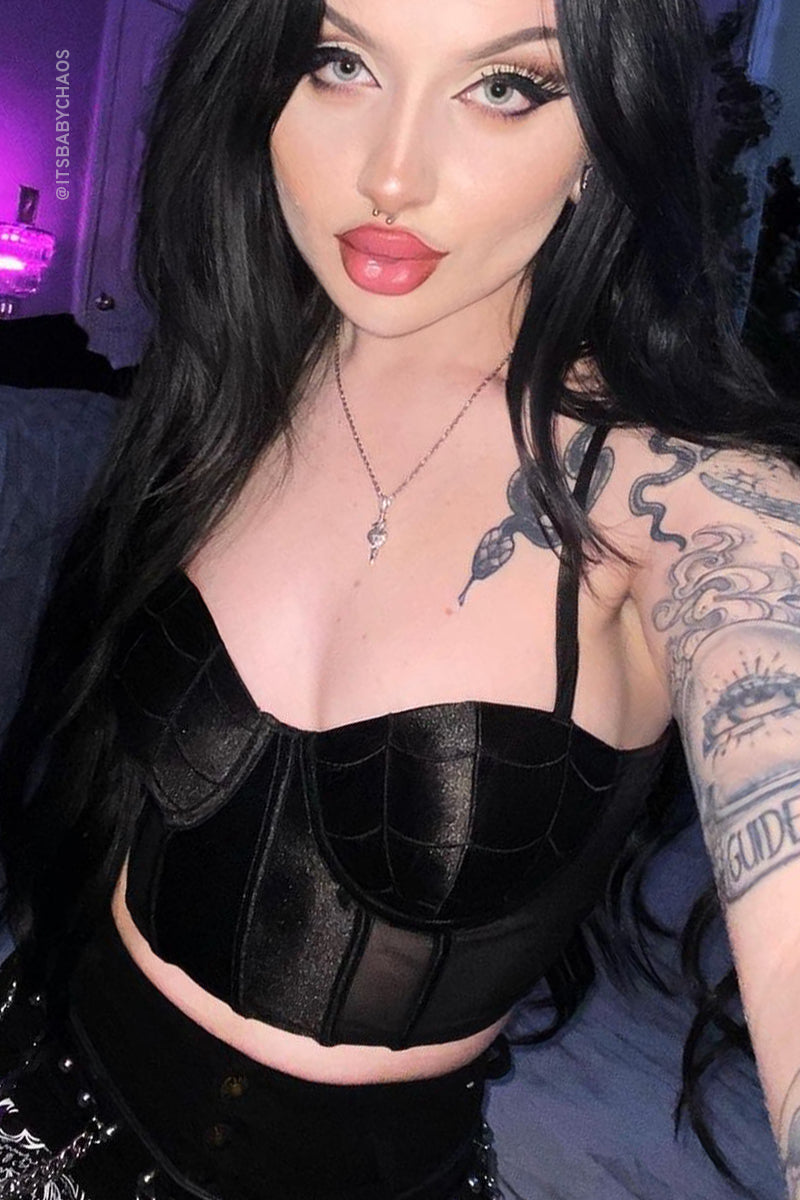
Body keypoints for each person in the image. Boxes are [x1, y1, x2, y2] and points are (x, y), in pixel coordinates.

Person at [1, 0, 799, 1196]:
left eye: (503, 89)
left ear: (605, 130)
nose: (388, 175)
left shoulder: (692, 508)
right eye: (339, 62)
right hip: (43, 1077)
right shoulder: (241, 363)